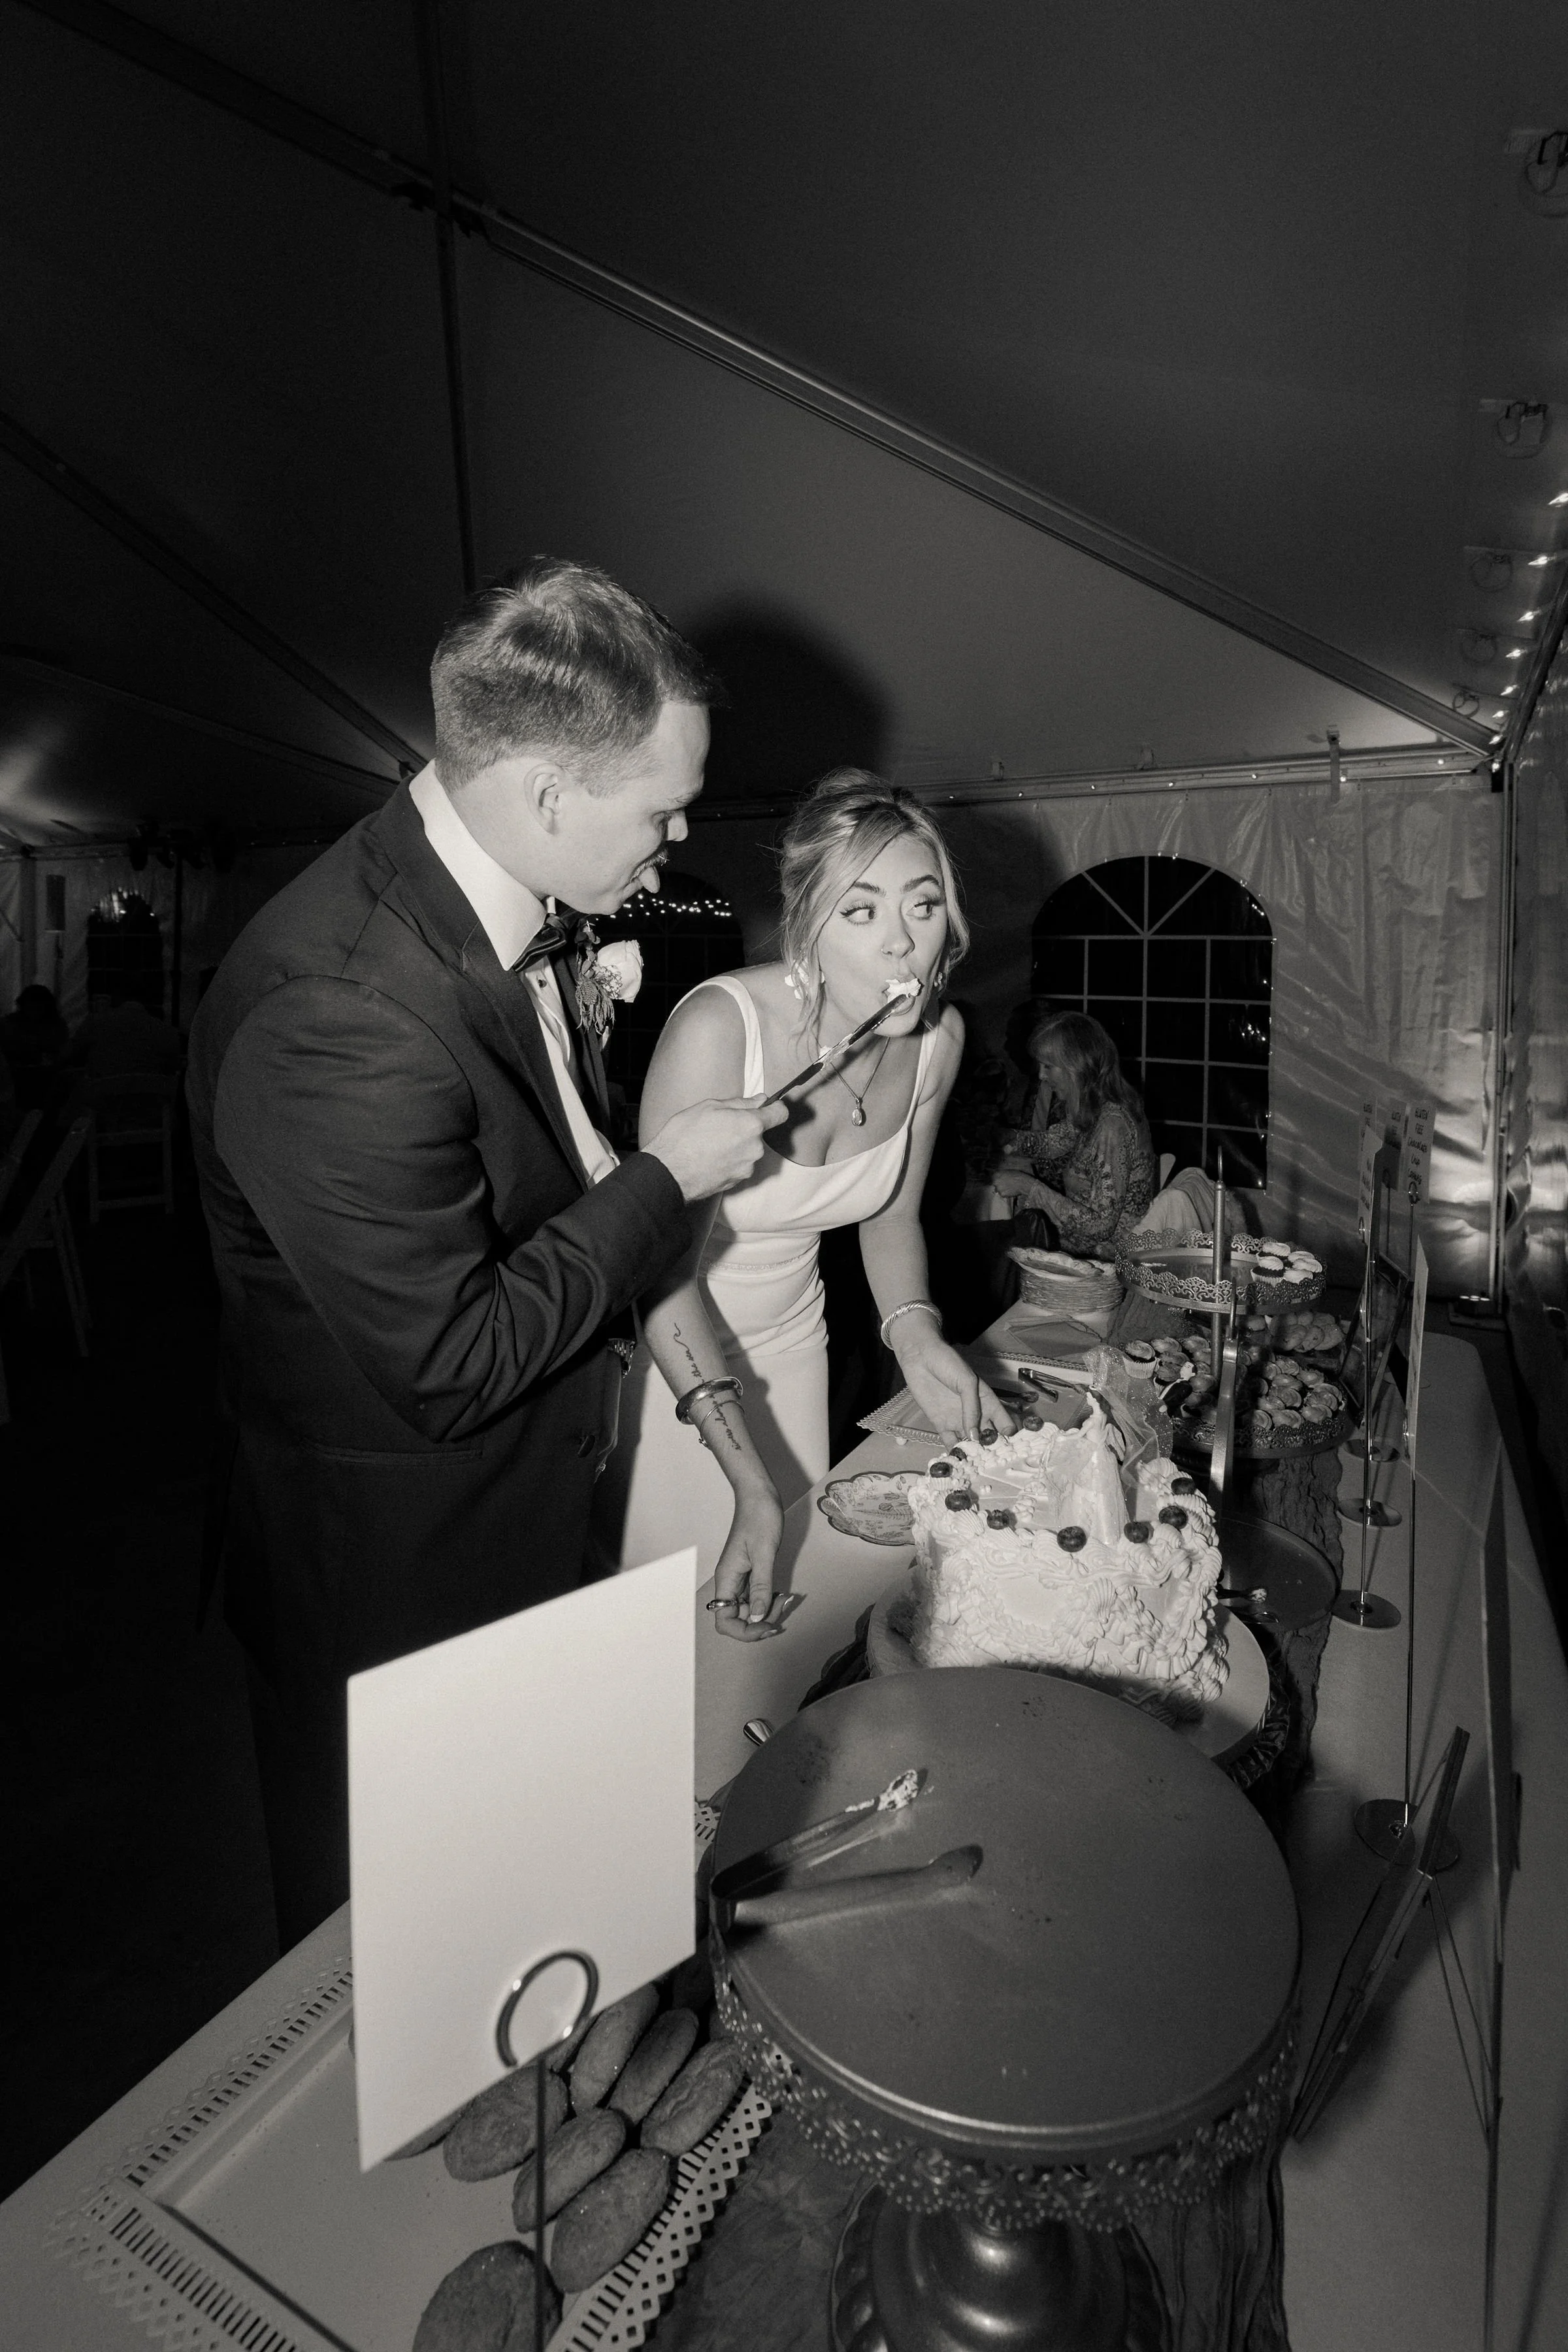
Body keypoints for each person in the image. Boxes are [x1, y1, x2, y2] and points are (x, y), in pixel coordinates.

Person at [187, 557, 782, 1945]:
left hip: (514, 1523)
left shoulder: (493, 904)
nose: (682, 833)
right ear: (544, 791)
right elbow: (449, 1364)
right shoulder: (338, 1006)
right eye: (663, 805)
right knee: (392, 1967)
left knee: (511, 1929)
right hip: (393, 1581)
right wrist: (667, 1176)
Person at [599, 771, 1015, 1635]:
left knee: (782, 1622)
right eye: (861, 912)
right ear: (808, 928)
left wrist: (915, 1329)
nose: (903, 944)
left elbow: (889, 1213)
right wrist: (747, 1478)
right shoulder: (720, 1030)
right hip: (672, 1362)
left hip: (796, 1345)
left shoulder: (938, 1040)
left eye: (923, 905)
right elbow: (660, 1277)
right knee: (665, 1635)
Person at [988, 1009, 1156, 1255]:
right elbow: (1057, 1142)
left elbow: (1100, 1226)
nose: (1041, 1076)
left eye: (1048, 1066)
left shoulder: (1113, 1125)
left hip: (1105, 1260)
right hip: (1083, 1244)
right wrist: (1010, 1138)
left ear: (1075, 1067)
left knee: (997, 1246)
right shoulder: (1094, 1105)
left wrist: (1028, 1186)